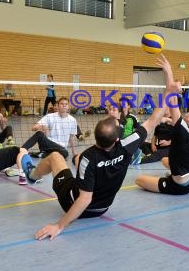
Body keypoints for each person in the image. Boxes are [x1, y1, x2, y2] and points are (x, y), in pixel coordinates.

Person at [32, 54, 175, 241]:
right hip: (103, 208)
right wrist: (169, 81)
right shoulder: (125, 147)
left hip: (75, 204)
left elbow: (84, 199)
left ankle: (32, 175)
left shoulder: (88, 157)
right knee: (76, 161)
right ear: (116, 140)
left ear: (96, 138)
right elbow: (154, 118)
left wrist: (59, 226)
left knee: (55, 157)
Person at [134, 69, 189, 195]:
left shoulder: (183, 132)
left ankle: (170, 180)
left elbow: (172, 101)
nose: (187, 115)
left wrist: (168, 72)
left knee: (139, 180)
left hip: (180, 185)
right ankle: (173, 172)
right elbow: (180, 126)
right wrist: (169, 121)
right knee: (165, 160)